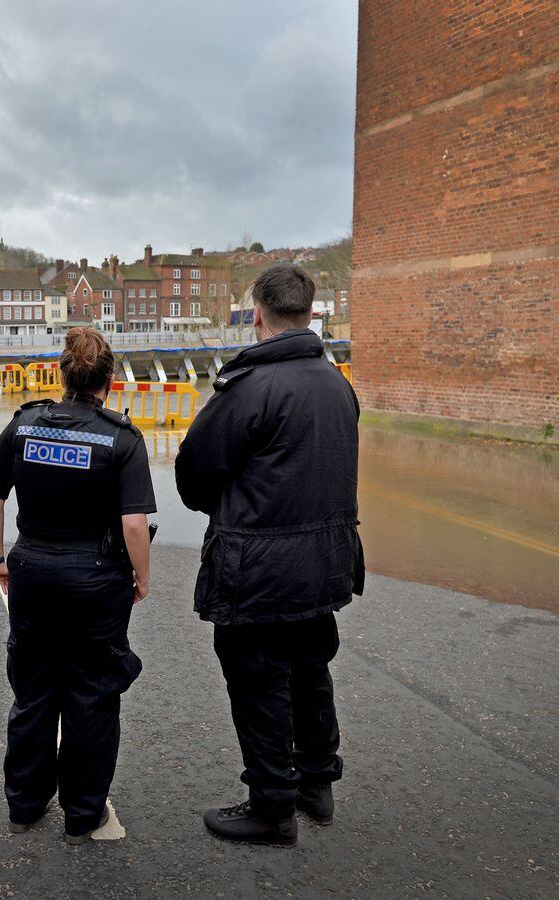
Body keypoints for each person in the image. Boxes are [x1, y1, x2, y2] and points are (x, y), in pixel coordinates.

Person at [174, 262, 364, 848]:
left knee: (258, 680)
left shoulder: (250, 387)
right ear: (310, 313)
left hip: (259, 568)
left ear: (257, 313)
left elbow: (193, 477)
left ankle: (270, 809)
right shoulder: (338, 384)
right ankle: (316, 785)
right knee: (311, 669)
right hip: (326, 562)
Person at [0, 327, 156, 844]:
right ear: (110, 380)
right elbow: (133, 526)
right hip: (97, 579)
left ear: (61, 374)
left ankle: (25, 807)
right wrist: (141, 578)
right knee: (92, 696)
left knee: (33, 692)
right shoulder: (121, 438)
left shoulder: (24, 427)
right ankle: (83, 815)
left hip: (32, 569)